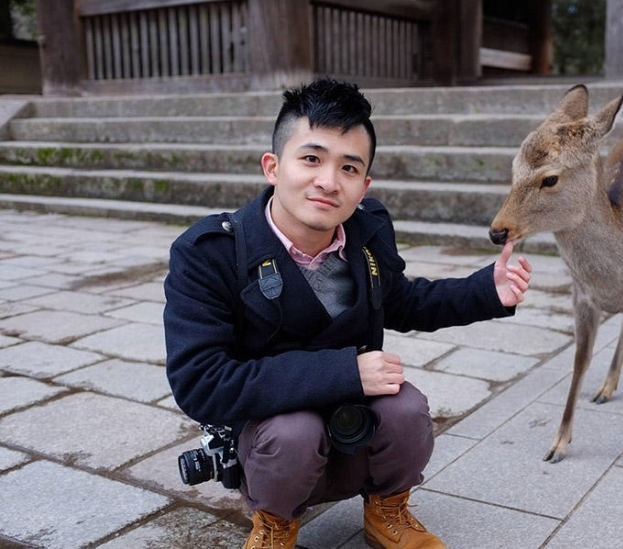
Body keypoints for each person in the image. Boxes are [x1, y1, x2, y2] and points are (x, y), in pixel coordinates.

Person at [163, 77, 532, 549]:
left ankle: (387, 510)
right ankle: (275, 523)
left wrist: (486, 291)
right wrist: (344, 372)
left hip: (349, 417)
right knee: (294, 432)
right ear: (273, 167)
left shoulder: (367, 229)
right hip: (272, 435)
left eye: (349, 167)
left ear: (364, 184)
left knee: (406, 407)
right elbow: (201, 382)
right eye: (311, 159)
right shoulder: (211, 251)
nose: (328, 181)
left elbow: (400, 300)